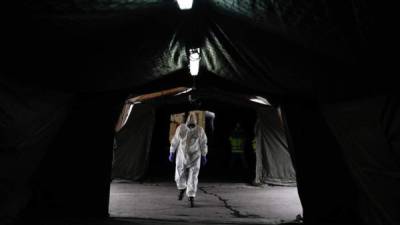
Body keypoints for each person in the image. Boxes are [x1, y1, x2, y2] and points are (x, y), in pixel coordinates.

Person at [168, 112, 208, 207]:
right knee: (179, 174)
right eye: (189, 124)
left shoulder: (199, 130)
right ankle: (182, 189)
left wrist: (204, 155)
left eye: (192, 125)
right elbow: (175, 140)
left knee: (193, 177)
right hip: (181, 156)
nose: (191, 126)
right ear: (186, 123)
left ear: (195, 123)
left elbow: (203, 143)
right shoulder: (181, 128)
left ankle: (191, 196)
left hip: (195, 157)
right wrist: (172, 152)